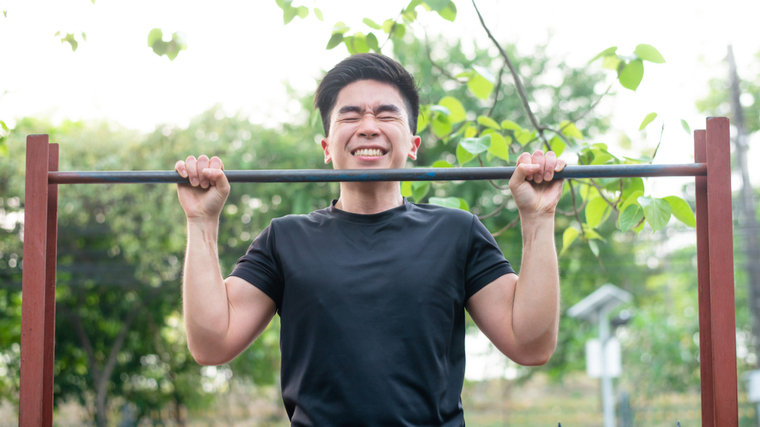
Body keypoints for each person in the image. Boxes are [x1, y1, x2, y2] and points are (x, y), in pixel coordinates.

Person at [174, 53, 566, 426]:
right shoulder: (285, 239)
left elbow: (530, 345)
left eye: (385, 113)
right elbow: (212, 344)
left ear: (412, 145)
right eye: (351, 115)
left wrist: (538, 217)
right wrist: (201, 221)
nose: (368, 126)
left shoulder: (456, 232)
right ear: (327, 149)